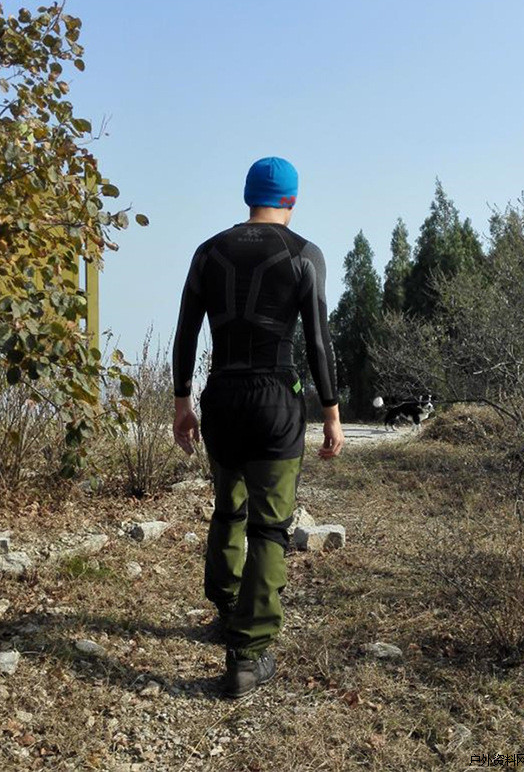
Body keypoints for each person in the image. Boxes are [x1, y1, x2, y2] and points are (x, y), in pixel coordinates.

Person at [172, 156, 344, 698]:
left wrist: (182, 403)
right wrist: (331, 412)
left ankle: (226, 607)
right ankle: (246, 656)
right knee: (269, 526)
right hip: (275, 400)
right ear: (292, 200)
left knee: (229, 508)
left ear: (248, 196)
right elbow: (318, 341)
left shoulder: (208, 252)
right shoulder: (304, 254)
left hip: (221, 395)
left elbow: (185, 332)